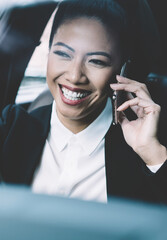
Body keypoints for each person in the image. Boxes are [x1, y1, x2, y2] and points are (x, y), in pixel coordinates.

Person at [0, 0, 167, 204]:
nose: (75, 76)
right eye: (63, 54)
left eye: (96, 61)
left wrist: (152, 153)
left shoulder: (146, 147)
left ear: (122, 71)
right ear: (48, 53)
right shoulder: (11, 126)